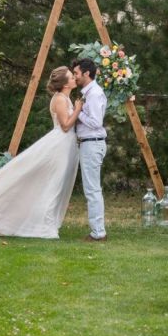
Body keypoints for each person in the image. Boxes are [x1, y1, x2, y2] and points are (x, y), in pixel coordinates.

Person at [0, 66, 82, 238]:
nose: (74, 79)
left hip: (66, 145)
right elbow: (65, 126)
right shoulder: (59, 99)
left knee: (57, 183)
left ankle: (46, 222)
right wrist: (78, 109)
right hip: (59, 145)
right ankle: (44, 226)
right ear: (65, 84)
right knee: (53, 184)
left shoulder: (65, 98)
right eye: (71, 77)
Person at [72, 57, 108, 242]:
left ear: (86, 73)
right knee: (91, 189)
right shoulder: (87, 92)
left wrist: (77, 112)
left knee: (92, 190)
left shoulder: (94, 93)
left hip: (92, 143)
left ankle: (98, 232)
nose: (74, 76)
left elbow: (96, 122)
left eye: (76, 73)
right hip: (89, 143)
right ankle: (97, 230)